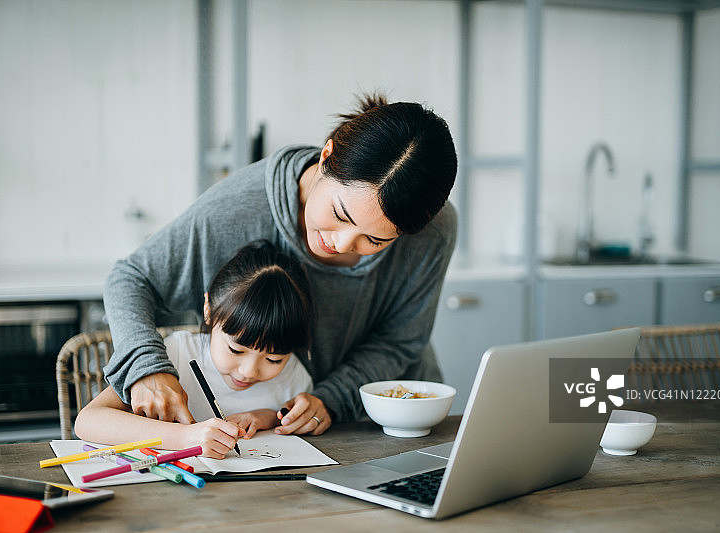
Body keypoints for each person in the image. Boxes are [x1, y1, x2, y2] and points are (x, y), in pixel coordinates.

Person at [102, 92, 458, 436]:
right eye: (339, 214)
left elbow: (399, 340)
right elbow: (132, 278)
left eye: (375, 241)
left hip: (392, 418)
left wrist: (331, 399)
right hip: (274, 432)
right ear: (326, 156)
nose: (341, 244)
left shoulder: (434, 230)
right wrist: (145, 367)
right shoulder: (237, 208)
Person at [75, 240, 314, 458]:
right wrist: (184, 438)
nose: (249, 371)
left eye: (273, 359)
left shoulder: (293, 375)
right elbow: (88, 421)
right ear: (208, 310)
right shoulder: (174, 354)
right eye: (236, 350)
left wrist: (267, 418)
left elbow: (293, 421)